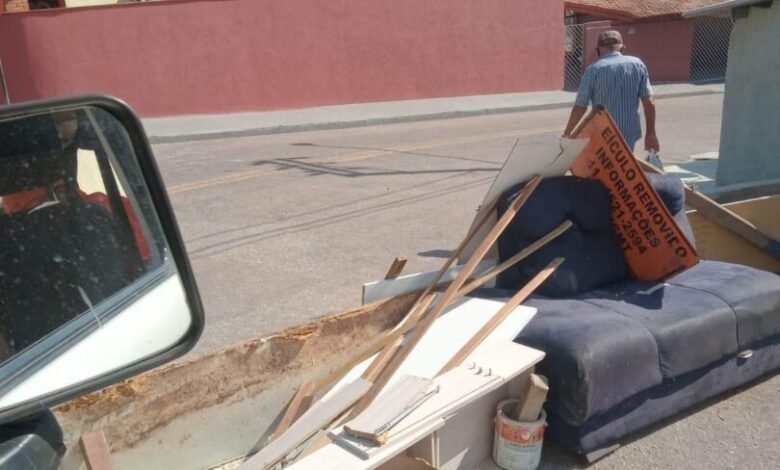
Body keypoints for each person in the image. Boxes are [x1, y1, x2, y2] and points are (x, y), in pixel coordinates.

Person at [563, 30, 660, 154]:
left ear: (598, 51)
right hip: (629, 133)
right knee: (625, 163)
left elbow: (580, 107)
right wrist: (651, 133)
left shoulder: (593, 70)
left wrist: (567, 133)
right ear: (622, 48)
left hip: (603, 134)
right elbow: (649, 103)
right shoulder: (637, 65)